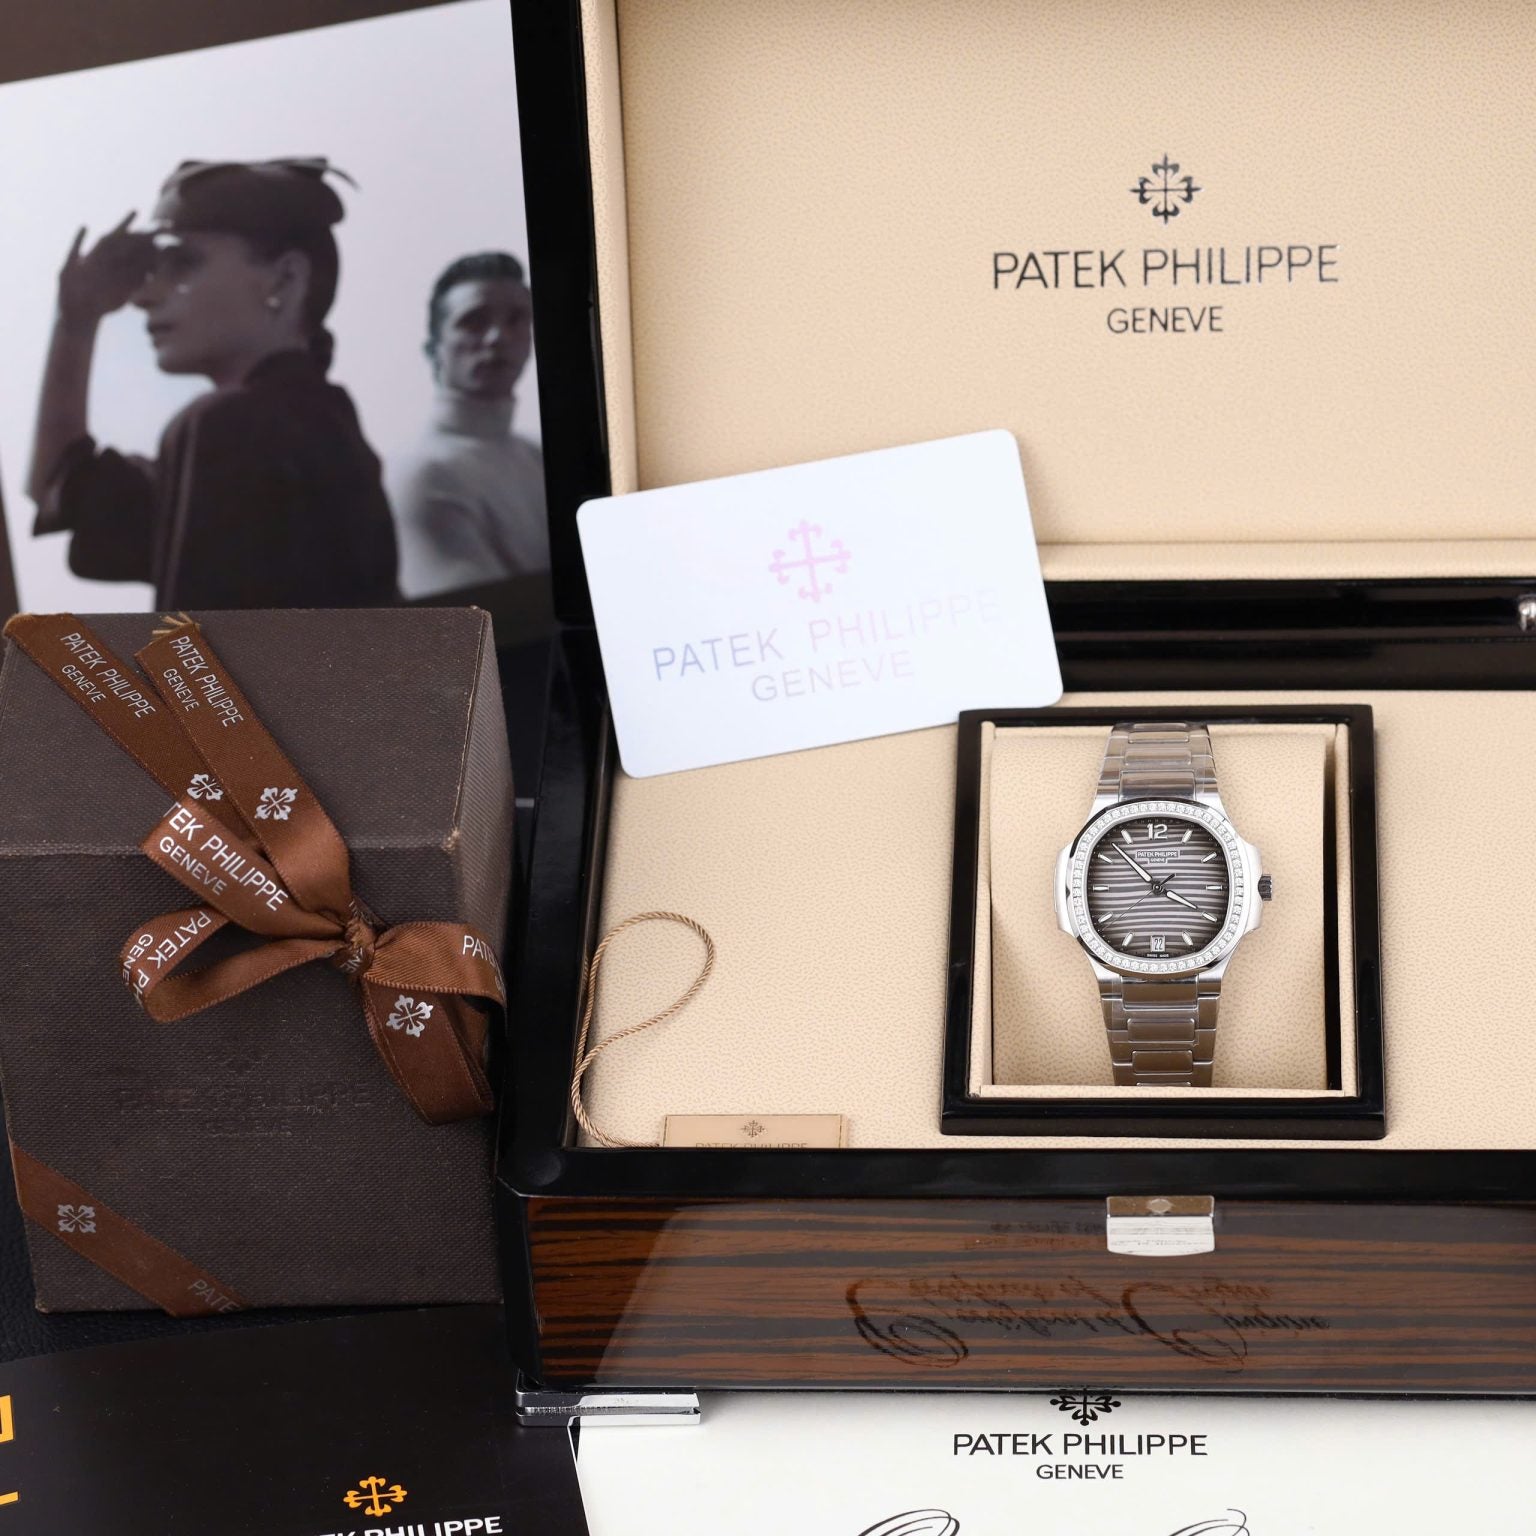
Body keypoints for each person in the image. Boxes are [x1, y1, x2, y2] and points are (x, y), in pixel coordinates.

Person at [26, 158, 398, 607]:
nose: (144, 296)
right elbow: (59, 485)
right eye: (153, 268)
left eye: (183, 262)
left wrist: (75, 324)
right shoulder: (314, 426)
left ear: (285, 278)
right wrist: (77, 320)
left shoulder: (230, 427)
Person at [387, 251, 550, 604]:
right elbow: (489, 624)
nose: (497, 337)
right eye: (474, 321)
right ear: (434, 348)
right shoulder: (422, 475)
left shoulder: (537, 458)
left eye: (516, 319)